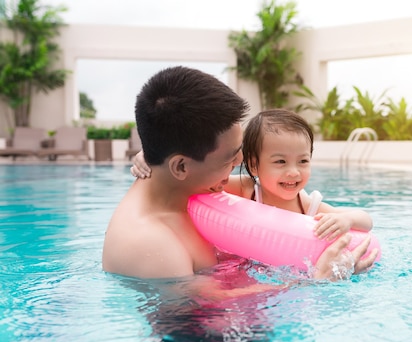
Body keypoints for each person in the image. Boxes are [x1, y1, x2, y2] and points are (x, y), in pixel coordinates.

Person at [103, 65, 376, 281]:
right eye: (230, 159)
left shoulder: (180, 183)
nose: (242, 163)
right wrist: (318, 280)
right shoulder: (151, 245)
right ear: (181, 167)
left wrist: (152, 155)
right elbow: (206, 323)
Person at [132, 108, 372, 241]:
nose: (293, 171)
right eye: (280, 161)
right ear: (254, 166)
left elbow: (366, 220)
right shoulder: (248, 188)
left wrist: (347, 220)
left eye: (303, 161)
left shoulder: (308, 206)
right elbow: (196, 182)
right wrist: (153, 157)